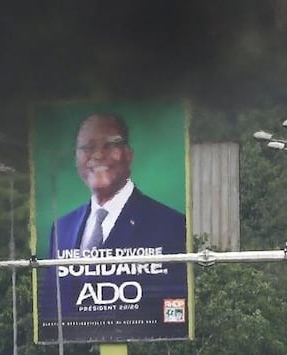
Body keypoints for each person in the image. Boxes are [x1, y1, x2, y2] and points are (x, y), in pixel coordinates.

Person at [40, 112, 189, 341]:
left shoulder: (170, 224)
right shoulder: (61, 228)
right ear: (75, 158)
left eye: (111, 145)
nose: (98, 155)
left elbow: (174, 308)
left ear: (129, 154)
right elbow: (53, 307)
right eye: (87, 147)